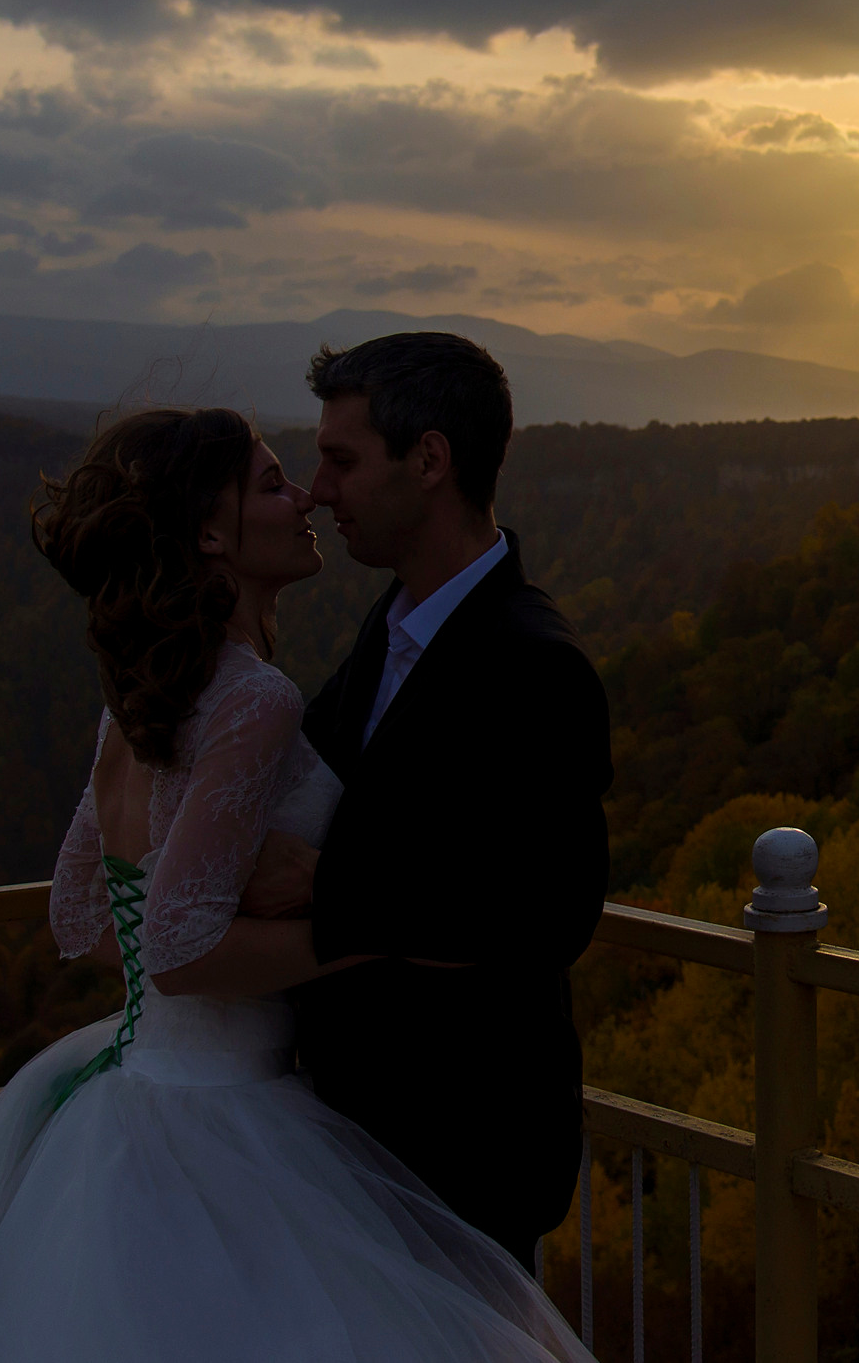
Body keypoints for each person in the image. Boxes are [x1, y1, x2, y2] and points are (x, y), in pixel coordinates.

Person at [0, 405, 587, 1363]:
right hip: (235, 1122)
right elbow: (178, 947)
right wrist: (370, 930)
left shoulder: (140, 701)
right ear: (210, 534)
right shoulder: (254, 698)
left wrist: (189, 930)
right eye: (270, 483)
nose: (303, 495)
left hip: (132, 1101)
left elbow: (84, 915)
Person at [241, 332, 612, 1272]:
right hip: (357, 1142)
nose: (321, 490)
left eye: (342, 460)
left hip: (464, 1154)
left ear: (431, 460)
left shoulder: (536, 666)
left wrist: (327, 888)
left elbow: (547, 909)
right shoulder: (393, 622)